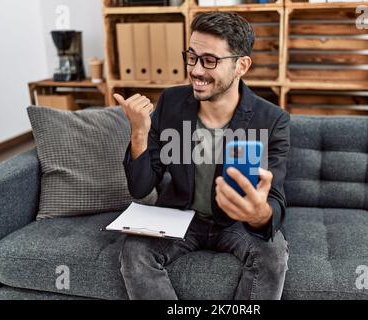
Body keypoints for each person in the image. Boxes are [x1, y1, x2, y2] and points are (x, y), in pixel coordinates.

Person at [113, 11, 290, 300]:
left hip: (237, 224)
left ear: (241, 65)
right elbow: (141, 187)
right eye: (191, 56)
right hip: (181, 217)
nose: (195, 70)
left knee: (273, 254)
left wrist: (259, 214)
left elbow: (276, 201)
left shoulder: (271, 119)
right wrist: (139, 133)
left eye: (209, 61)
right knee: (135, 250)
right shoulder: (170, 102)